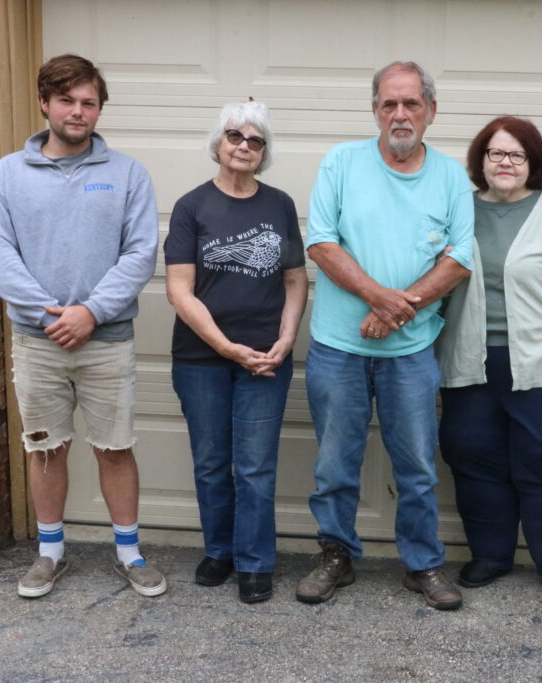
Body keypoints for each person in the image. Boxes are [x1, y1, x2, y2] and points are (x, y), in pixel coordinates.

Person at [0, 54, 164, 598]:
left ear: (99, 108)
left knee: (114, 447)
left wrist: (90, 312)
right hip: (39, 343)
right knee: (45, 447)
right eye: (67, 101)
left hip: (106, 340)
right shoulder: (8, 175)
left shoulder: (127, 174)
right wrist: (47, 314)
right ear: (45, 103)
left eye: (89, 102)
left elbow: (139, 253)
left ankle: (129, 553)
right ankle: (50, 552)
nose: (78, 112)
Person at [296, 61, 474, 611]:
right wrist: (380, 298)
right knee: (335, 463)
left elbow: (459, 259)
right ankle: (335, 556)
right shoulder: (342, 162)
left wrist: (396, 313)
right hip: (338, 348)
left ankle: (422, 563)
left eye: (412, 103)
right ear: (375, 110)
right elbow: (322, 243)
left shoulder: (449, 177)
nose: (401, 114)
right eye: (389, 104)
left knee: (418, 465)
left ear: (431, 111)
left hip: (411, 353)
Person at [436, 116, 542, 606]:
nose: (505, 163)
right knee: (473, 459)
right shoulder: (459, 212)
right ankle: (491, 555)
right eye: (495, 154)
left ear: (533, 163)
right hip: (471, 363)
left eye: (516, 155)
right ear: (480, 161)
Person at [164, 102, 308, 604]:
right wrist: (227, 347)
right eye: (235, 136)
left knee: (254, 465)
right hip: (202, 359)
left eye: (256, 140)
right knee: (210, 461)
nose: (244, 146)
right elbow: (180, 290)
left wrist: (286, 339)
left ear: (264, 151)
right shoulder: (191, 207)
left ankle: (254, 561)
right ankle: (220, 550)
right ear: (219, 143)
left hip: (267, 359)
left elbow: (294, 278)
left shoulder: (279, 205)